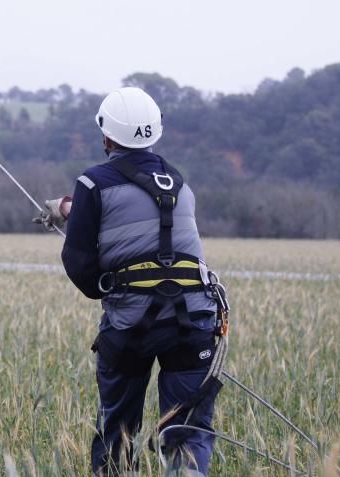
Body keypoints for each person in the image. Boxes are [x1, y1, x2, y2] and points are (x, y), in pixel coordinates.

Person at [37, 87, 225, 476]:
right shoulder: (179, 183)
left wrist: (101, 284)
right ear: (156, 132)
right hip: (195, 320)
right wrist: (75, 210)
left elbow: (79, 262)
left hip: (131, 325)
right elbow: (151, 225)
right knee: (187, 432)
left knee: (118, 431)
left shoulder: (91, 184)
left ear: (106, 136)